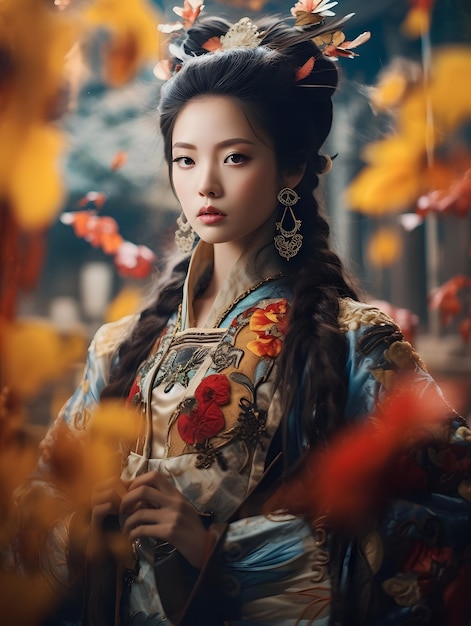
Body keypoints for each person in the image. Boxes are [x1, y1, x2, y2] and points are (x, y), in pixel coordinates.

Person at [10, 5, 471, 626]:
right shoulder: (119, 347)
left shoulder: (354, 341)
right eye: (185, 159)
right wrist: (83, 530)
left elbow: (443, 519)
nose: (205, 185)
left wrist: (217, 553)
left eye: (234, 157)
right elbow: (33, 509)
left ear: (291, 168)